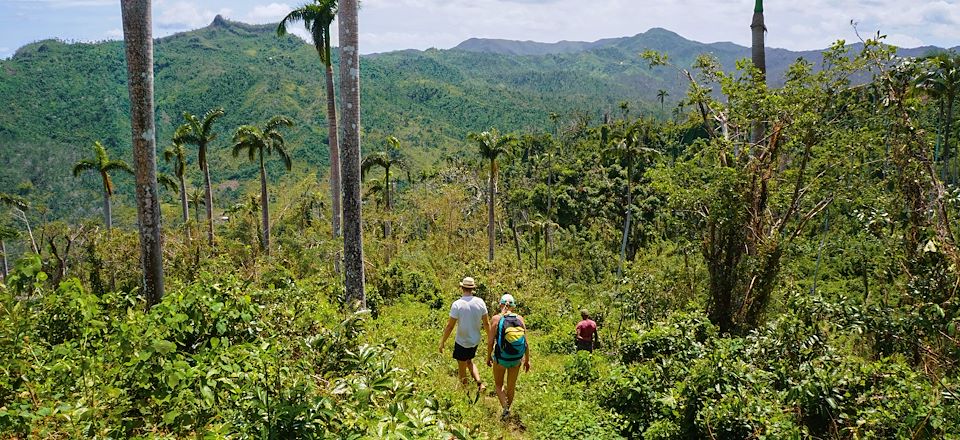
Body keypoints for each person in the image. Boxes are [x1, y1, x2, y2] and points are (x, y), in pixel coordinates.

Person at [439, 276, 490, 401]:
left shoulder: (457, 304)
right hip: (475, 341)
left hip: (462, 341)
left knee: (462, 368)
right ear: (472, 289)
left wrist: (442, 342)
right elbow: (487, 323)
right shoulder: (480, 302)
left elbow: (450, 326)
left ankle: (465, 395)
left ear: (462, 288)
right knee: (469, 361)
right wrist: (490, 339)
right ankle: (480, 383)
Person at [486, 293, 530, 420]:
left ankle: (505, 409)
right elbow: (526, 343)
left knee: (499, 385)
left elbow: (490, 342)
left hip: (500, 358)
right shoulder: (520, 319)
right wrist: (527, 360)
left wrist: (488, 357)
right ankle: (507, 409)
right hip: (516, 359)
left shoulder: (496, 319)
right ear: (513, 306)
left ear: (500, 304)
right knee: (511, 386)